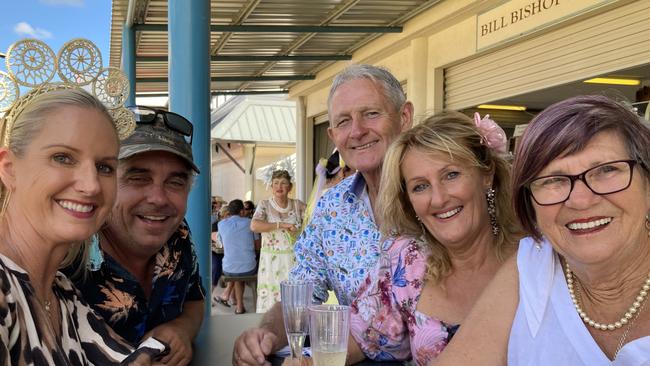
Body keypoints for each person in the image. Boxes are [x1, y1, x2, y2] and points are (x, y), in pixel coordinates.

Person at [434, 95, 650, 365]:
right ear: (530, 202)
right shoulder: (533, 264)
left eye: (606, 170)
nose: (581, 200)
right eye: (554, 180)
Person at [233, 64, 413, 365]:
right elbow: (301, 294)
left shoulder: (438, 200)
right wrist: (265, 335)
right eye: (343, 121)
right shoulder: (331, 208)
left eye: (371, 113)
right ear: (333, 135)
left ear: (404, 117)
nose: (357, 131)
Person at [0, 86, 167, 363]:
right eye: (62, 158)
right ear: (9, 169)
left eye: (104, 167)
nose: (90, 186)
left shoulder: (60, 290)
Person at [342, 111, 520, 365]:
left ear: (486, 174)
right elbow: (357, 340)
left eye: (451, 175)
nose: (438, 199)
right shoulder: (407, 262)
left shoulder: (537, 258)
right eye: (420, 186)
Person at [69, 105, 205, 366]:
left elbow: (194, 299)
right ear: (104, 183)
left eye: (175, 182)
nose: (158, 198)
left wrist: (181, 329)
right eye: (138, 178)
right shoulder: (70, 249)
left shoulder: (179, 235)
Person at [251, 169, 306, 313]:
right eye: (275, 183)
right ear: (271, 186)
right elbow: (254, 226)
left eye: (283, 183)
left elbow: (312, 223)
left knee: (294, 300)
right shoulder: (265, 205)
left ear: (290, 187)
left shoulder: (297, 205)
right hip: (271, 260)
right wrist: (280, 225)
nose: (279, 187)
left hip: (293, 260)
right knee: (271, 298)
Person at [217, 199, 260, 314]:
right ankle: (237, 304)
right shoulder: (250, 223)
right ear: (242, 211)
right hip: (248, 267)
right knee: (241, 267)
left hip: (228, 268)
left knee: (236, 269)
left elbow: (222, 244)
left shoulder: (221, 224)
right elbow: (257, 246)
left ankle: (236, 303)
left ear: (229, 212)